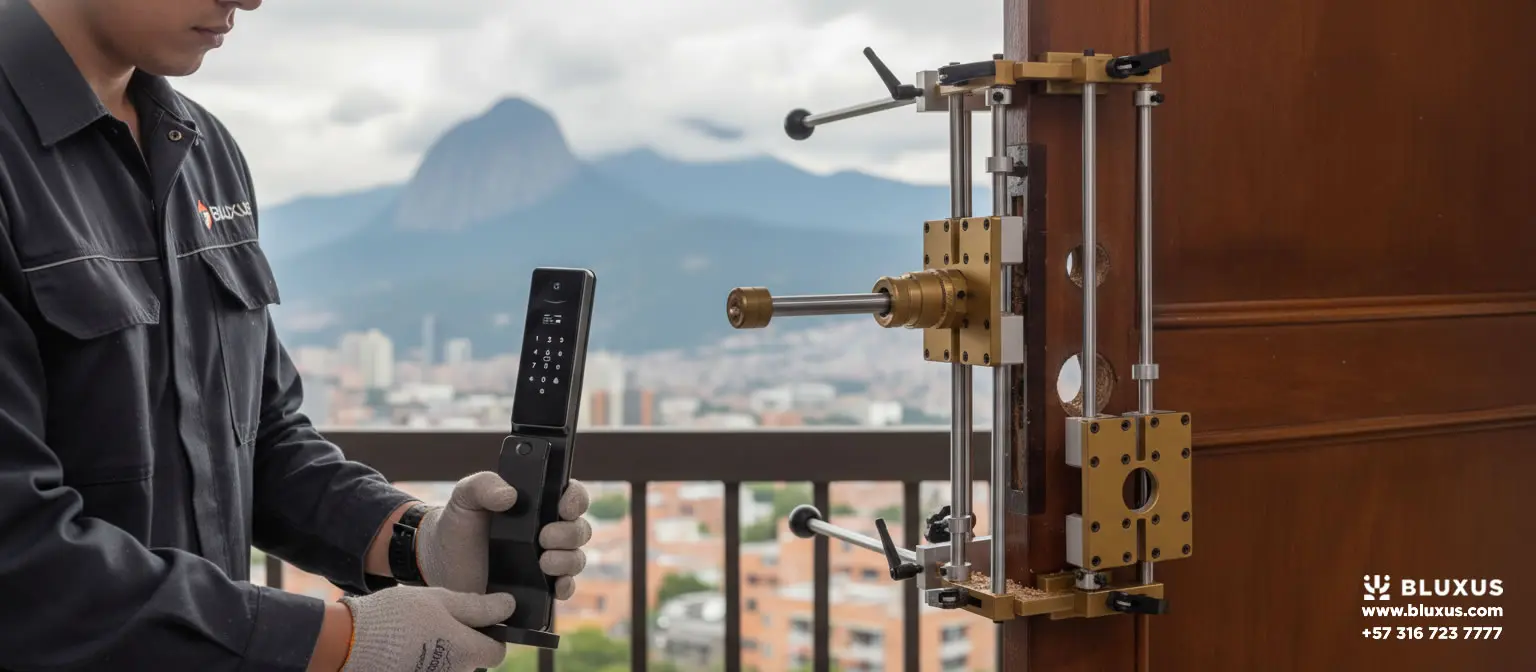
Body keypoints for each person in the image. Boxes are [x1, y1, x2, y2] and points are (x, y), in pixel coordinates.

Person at [0, 1, 593, 670]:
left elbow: (261, 440)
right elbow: (17, 552)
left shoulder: (201, 149)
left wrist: (417, 540)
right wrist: (342, 642)